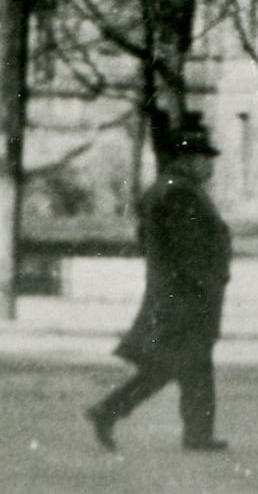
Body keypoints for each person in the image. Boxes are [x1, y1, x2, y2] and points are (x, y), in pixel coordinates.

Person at [86, 114, 233, 454]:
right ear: (188, 159)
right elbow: (189, 248)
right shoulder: (180, 195)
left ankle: (111, 412)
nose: (209, 166)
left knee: (173, 366)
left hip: (175, 293)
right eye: (204, 159)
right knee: (187, 365)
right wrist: (207, 283)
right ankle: (192, 433)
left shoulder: (169, 190)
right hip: (185, 297)